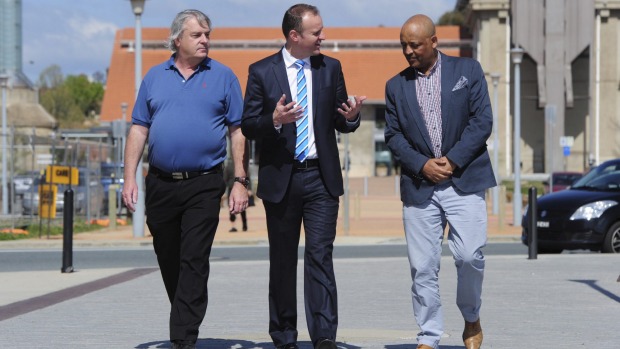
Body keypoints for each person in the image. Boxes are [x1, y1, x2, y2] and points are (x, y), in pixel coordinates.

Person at [241, 4, 366, 349]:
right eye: (316, 33)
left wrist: (352, 116)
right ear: (295, 36)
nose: (323, 37)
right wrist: (274, 119)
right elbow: (249, 125)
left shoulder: (331, 68)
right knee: (282, 260)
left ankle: (324, 336)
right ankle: (284, 336)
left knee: (320, 255)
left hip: (320, 179)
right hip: (281, 179)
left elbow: (341, 120)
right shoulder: (262, 71)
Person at [122, 9, 248, 349]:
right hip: (160, 183)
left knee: (194, 256)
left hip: (204, 183)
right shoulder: (153, 77)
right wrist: (129, 178)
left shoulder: (223, 77)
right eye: (198, 35)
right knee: (168, 255)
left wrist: (240, 179)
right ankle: (187, 312)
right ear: (177, 39)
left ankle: (183, 337)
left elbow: (238, 131)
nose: (205, 40)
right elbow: (138, 129)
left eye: (208, 34)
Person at [384, 14, 496, 349]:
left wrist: (453, 160)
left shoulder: (468, 72)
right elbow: (393, 136)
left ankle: (472, 317)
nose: (408, 51)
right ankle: (429, 336)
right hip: (420, 186)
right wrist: (422, 164)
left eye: (414, 44)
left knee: (470, 256)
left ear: (434, 41)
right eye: (403, 44)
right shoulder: (395, 86)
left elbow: (482, 121)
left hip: (465, 178)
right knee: (423, 268)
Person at [224, 157, 248, 232]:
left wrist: (228, 185)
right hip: (241, 188)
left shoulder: (228, 166)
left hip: (232, 189)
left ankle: (234, 226)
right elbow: (247, 177)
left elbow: (225, 179)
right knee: (242, 208)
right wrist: (248, 188)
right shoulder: (242, 166)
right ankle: (244, 226)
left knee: (232, 208)